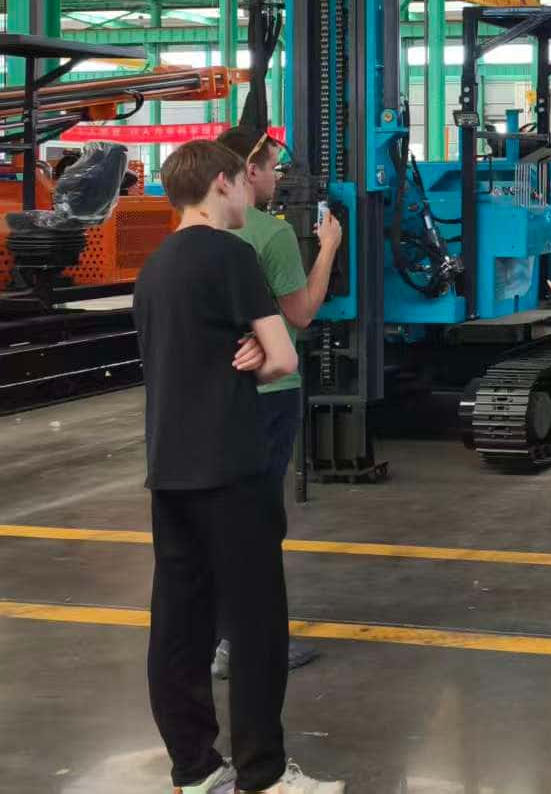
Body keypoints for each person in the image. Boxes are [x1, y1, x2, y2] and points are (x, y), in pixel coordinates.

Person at [136, 140, 343, 794]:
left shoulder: (155, 267)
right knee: (256, 623)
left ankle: (194, 769)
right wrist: (260, 351)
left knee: (180, 622)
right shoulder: (232, 254)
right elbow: (283, 358)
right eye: (245, 184)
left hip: (169, 468)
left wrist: (247, 345)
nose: (251, 196)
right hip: (232, 463)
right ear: (223, 183)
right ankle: (264, 775)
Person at [211, 125, 344, 679]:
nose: (277, 177)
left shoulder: (196, 231)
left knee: (223, 517)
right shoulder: (272, 234)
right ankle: (253, 643)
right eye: (271, 168)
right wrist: (329, 247)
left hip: (215, 394)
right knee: (262, 522)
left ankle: (221, 636)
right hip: (269, 393)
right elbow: (302, 313)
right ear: (249, 171)